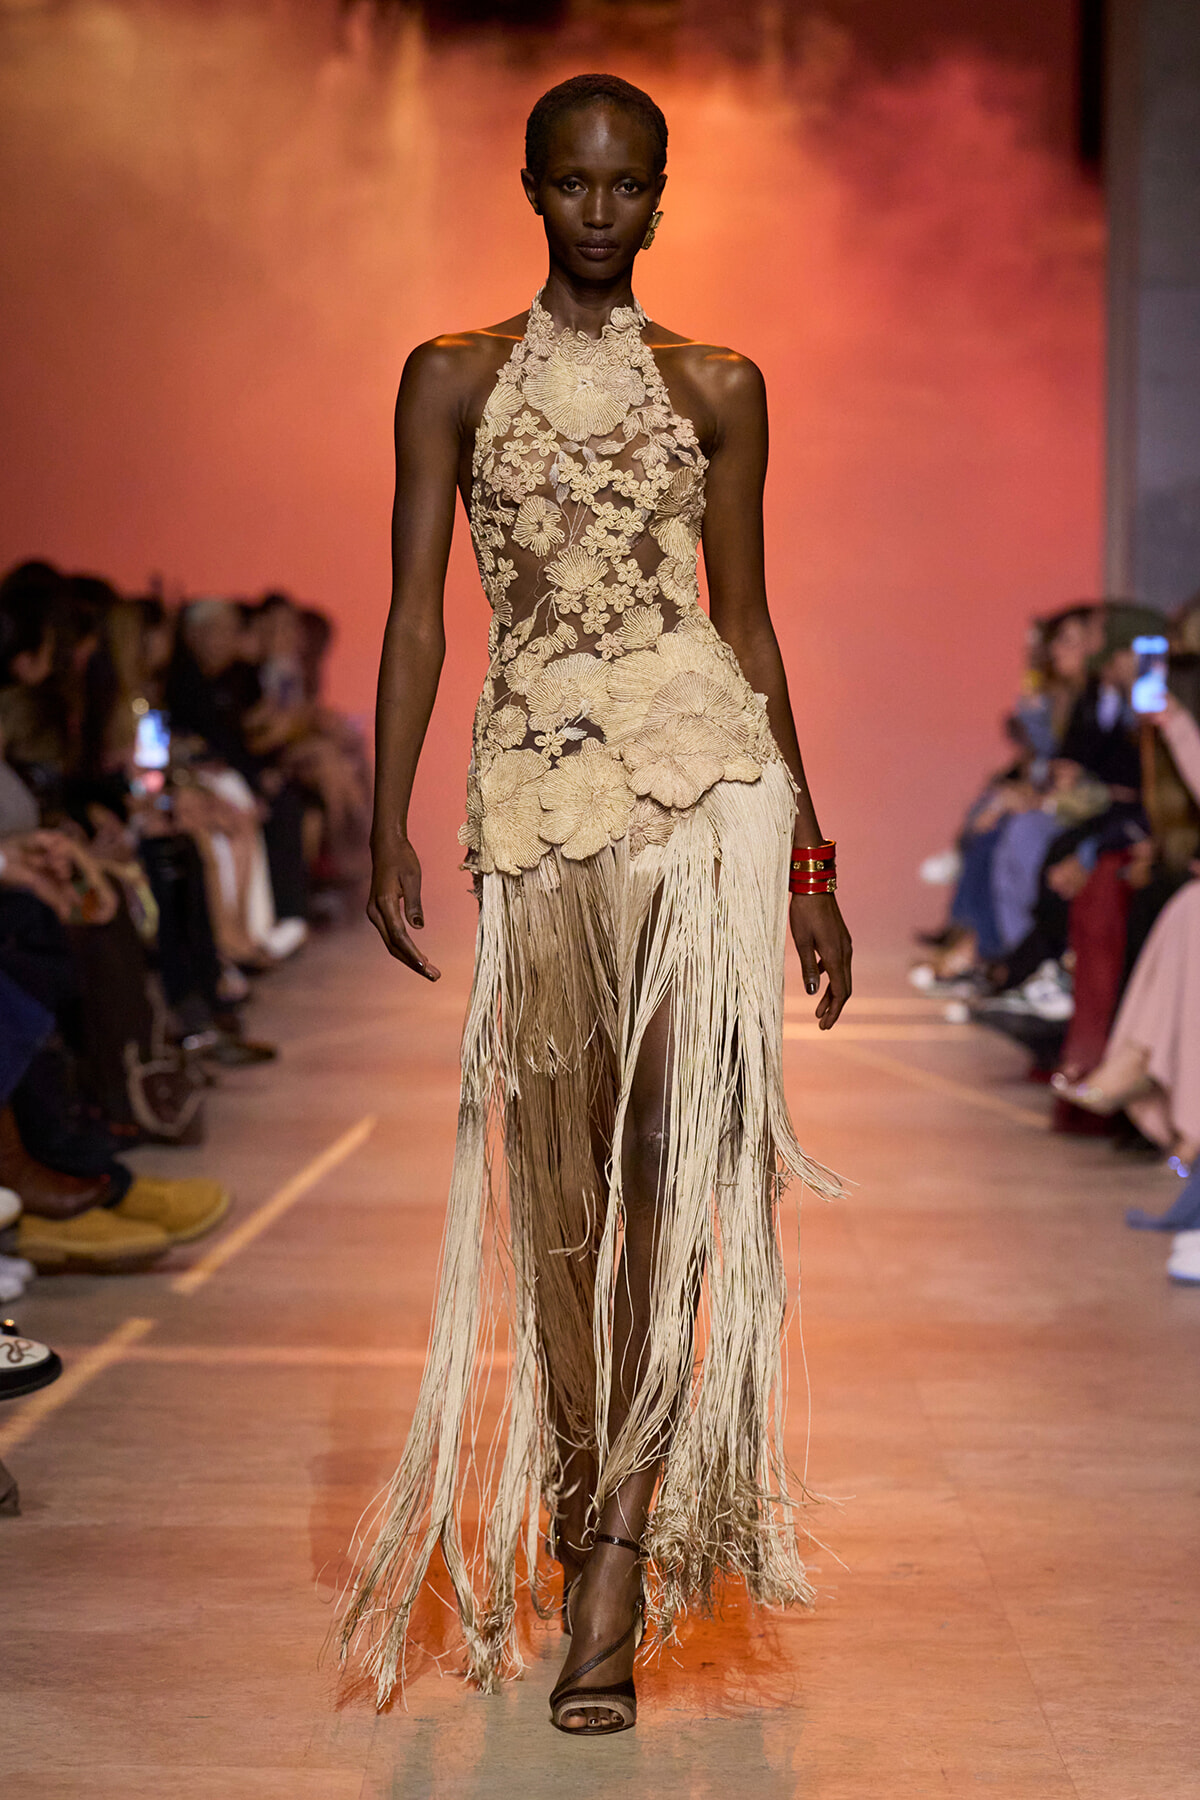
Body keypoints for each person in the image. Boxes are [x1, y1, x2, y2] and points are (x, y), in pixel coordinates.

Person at [338, 74, 851, 1735]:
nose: (602, 212)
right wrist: (384, 811)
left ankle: (617, 1550)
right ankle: (580, 1477)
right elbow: (417, 616)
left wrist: (811, 858)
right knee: (552, 1178)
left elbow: (749, 631)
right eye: (575, 183)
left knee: (665, 1166)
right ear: (531, 186)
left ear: (663, 193)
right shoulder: (449, 378)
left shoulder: (721, 387)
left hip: (706, 802)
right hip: (539, 807)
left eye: (630, 186)